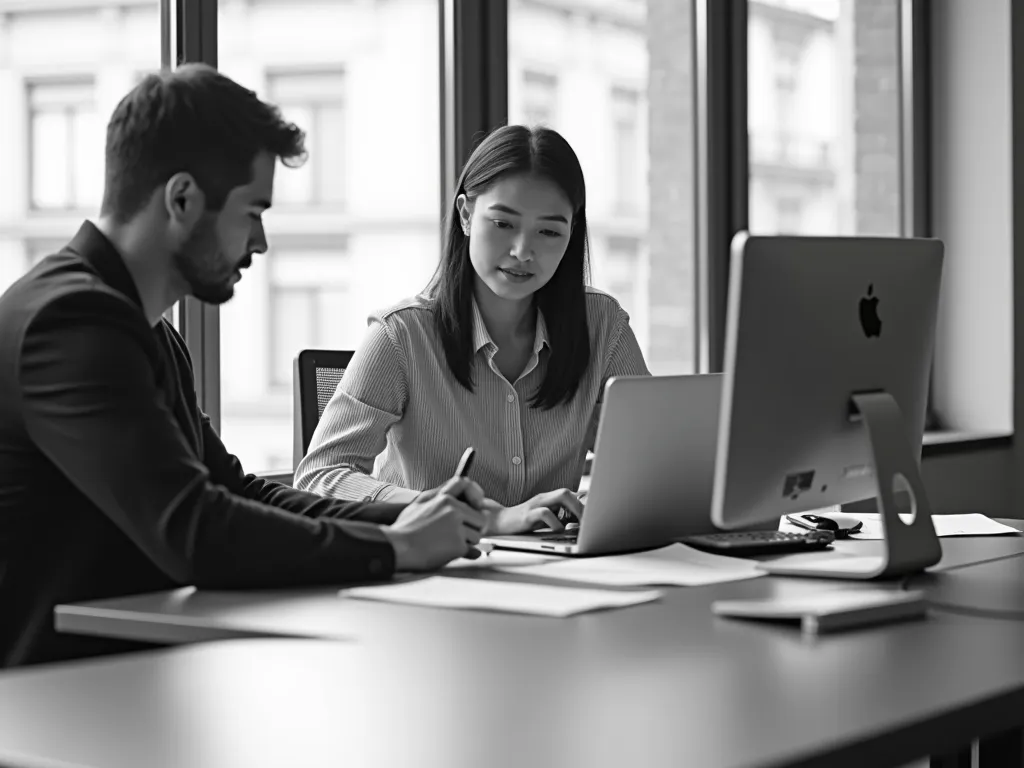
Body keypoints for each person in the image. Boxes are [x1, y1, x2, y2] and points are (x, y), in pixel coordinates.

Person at [0, 64, 488, 669]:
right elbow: (195, 531)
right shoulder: (70, 324)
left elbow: (232, 490)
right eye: (252, 211)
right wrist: (392, 549)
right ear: (181, 199)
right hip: (47, 700)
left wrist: (409, 515)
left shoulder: (140, 326)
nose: (259, 242)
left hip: (119, 679)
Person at [295, 125, 650, 534]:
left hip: (557, 566)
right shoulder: (401, 336)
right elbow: (320, 478)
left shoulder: (602, 326)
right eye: (503, 224)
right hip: (436, 566)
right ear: (465, 214)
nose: (522, 251)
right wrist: (470, 514)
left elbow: (651, 461)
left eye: (549, 231)